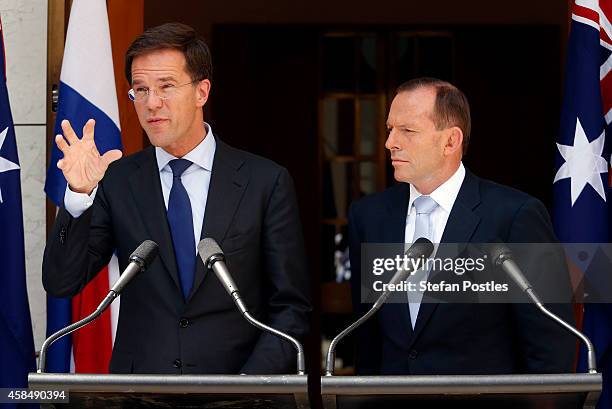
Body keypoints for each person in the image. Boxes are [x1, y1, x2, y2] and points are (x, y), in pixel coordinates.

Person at [42, 22, 311, 374]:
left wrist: (249, 383)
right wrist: (77, 197)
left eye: (166, 86)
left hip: (238, 390)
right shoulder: (119, 180)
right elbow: (63, 281)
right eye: (140, 90)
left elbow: (291, 308)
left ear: (202, 92)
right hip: (140, 392)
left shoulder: (265, 182)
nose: (152, 103)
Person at [348, 77, 575, 375]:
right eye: (390, 129)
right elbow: (367, 340)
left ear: (451, 141)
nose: (391, 142)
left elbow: (550, 346)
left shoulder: (515, 216)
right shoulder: (368, 216)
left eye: (408, 131)